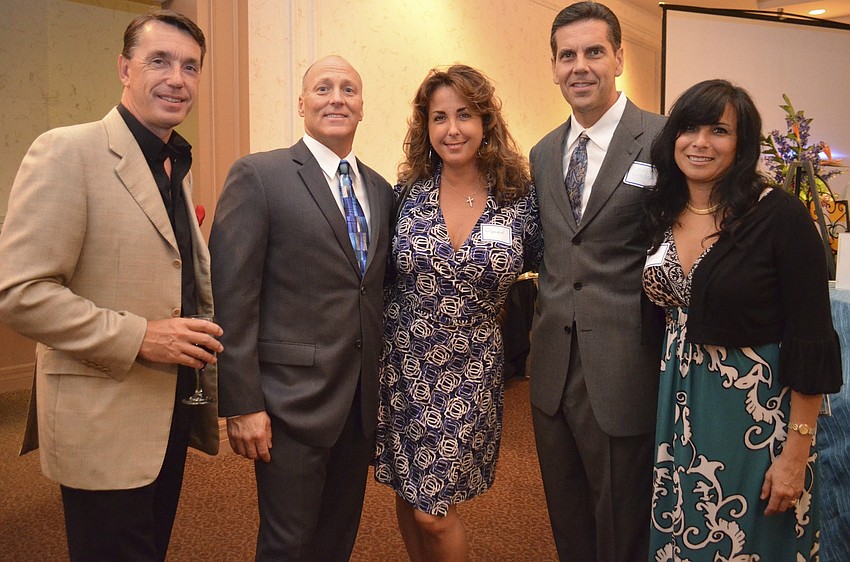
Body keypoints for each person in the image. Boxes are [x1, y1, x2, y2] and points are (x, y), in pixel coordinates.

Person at [0, 10, 223, 562]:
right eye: (159, 61)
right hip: (102, 415)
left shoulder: (175, 164)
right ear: (124, 69)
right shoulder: (66, 151)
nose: (177, 78)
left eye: (190, 66)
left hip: (166, 410)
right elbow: (20, 292)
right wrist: (142, 336)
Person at [642, 78, 842, 561]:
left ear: (743, 142)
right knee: (684, 536)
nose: (700, 142)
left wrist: (796, 454)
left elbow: (811, 337)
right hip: (679, 409)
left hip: (755, 417)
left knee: (750, 541)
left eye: (719, 131)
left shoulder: (780, 216)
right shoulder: (661, 209)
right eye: (688, 128)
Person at [208, 55, 393, 561]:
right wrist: (242, 403)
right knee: (287, 545)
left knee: (337, 541)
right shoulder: (260, 175)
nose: (336, 97)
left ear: (362, 107)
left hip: (358, 404)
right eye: (323, 88)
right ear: (301, 104)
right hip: (288, 403)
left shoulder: (380, 189)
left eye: (349, 90)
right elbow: (233, 296)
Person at [374, 64, 543, 561]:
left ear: (485, 121)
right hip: (404, 364)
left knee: (434, 508)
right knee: (410, 494)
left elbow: (553, 270)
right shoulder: (405, 197)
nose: (452, 129)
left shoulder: (519, 202)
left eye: (464, 115)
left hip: (471, 368)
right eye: (439, 117)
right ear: (425, 128)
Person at [527, 2, 667, 560]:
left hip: (624, 366)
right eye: (567, 55)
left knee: (623, 523)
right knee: (569, 520)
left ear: (618, 58)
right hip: (551, 373)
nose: (579, 66)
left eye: (593, 52)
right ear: (554, 66)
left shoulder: (664, 140)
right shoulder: (542, 153)